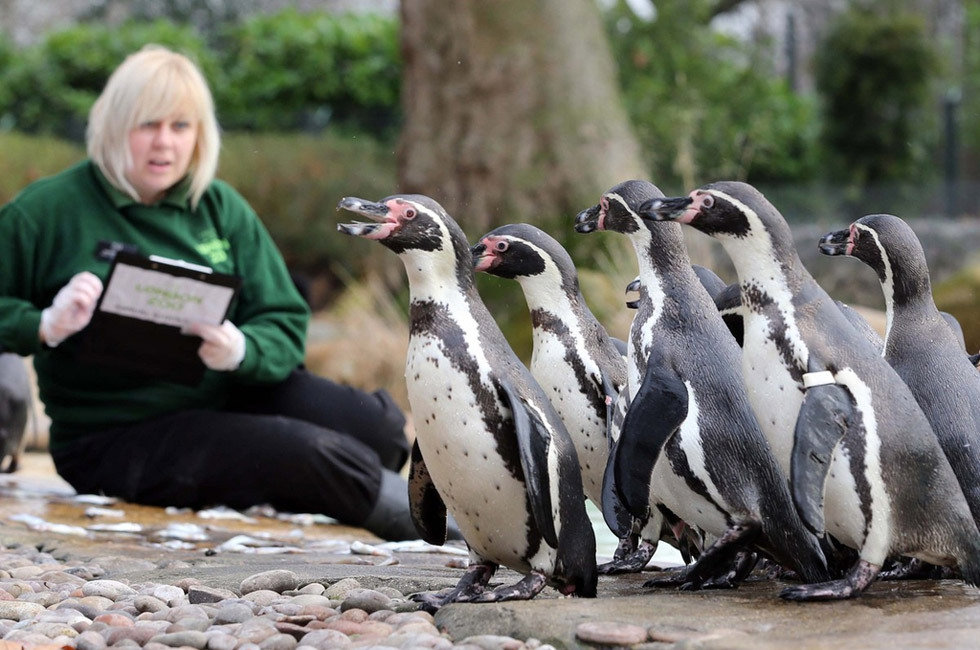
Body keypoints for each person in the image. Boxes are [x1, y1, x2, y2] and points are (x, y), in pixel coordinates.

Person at [0, 44, 425, 542]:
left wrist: (239, 349)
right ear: (114, 127)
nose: (164, 144)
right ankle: (437, 528)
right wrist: (45, 324)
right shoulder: (46, 210)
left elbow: (283, 322)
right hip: (114, 436)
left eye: (180, 127)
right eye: (147, 125)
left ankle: (424, 489)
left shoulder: (220, 207)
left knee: (374, 427)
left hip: (225, 389)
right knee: (313, 455)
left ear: (200, 135)